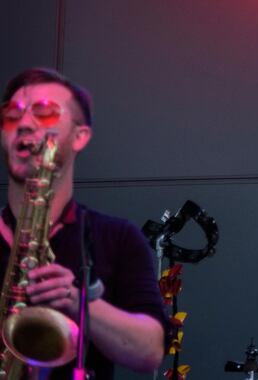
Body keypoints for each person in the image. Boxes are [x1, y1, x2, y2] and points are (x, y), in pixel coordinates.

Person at [0, 67, 168, 380]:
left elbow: (150, 352)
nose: (23, 123)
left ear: (81, 136)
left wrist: (79, 302)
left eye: (45, 112)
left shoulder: (117, 238)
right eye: (12, 114)